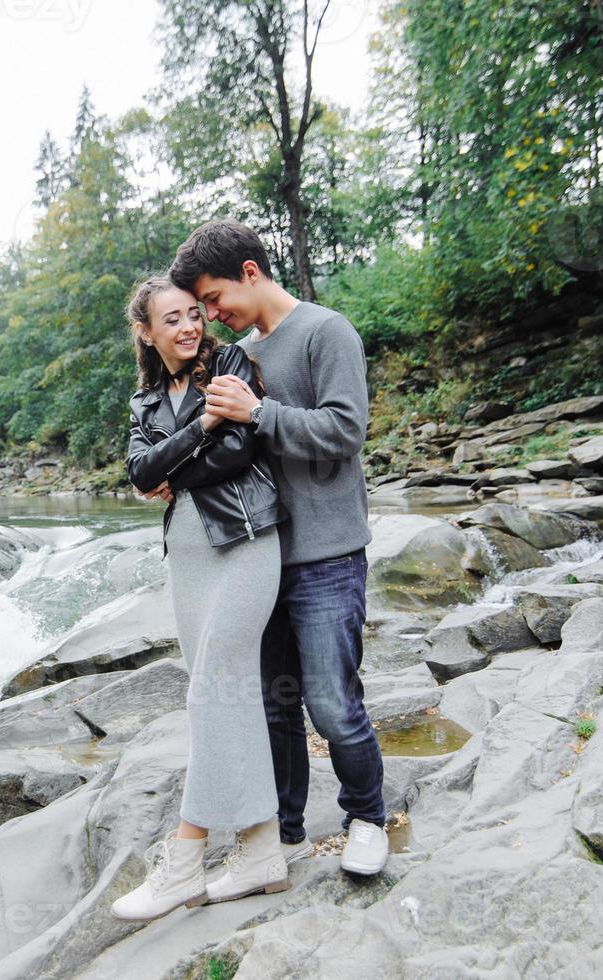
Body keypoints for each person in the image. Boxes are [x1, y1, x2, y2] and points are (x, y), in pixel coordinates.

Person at [168, 219, 389, 877]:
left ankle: (367, 819)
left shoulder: (326, 332)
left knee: (330, 702)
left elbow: (345, 430)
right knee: (272, 706)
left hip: (326, 555)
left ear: (250, 272)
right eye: (201, 308)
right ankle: (285, 832)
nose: (210, 316)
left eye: (213, 299)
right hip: (255, 558)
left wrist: (256, 413)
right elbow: (215, 441)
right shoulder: (239, 354)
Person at [110, 276, 290, 922]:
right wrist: (199, 429)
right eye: (173, 319)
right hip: (185, 555)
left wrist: (172, 464)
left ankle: (183, 859)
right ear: (146, 333)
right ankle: (260, 851)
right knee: (226, 690)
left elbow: (240, 451)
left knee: (211, 685)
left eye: (194, 314)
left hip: (243, 540)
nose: (189, 327)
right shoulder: (145, 401)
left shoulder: (232, 362)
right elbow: (137, 472)